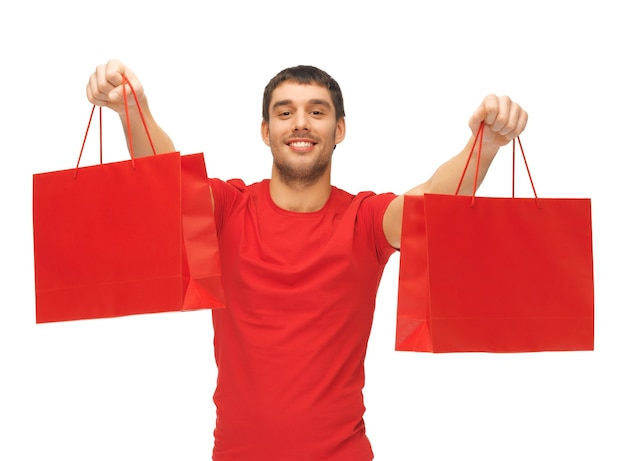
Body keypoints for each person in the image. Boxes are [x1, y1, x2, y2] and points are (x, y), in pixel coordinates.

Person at [86, 59, 528, 461]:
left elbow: (430, 209)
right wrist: (132, 111)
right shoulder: (229, 208)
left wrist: (483, 146)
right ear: (265, 131)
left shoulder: (365, 220)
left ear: (339, 130)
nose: (301, 124)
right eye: (285, 112)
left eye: (317, 112)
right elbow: (169, 185)